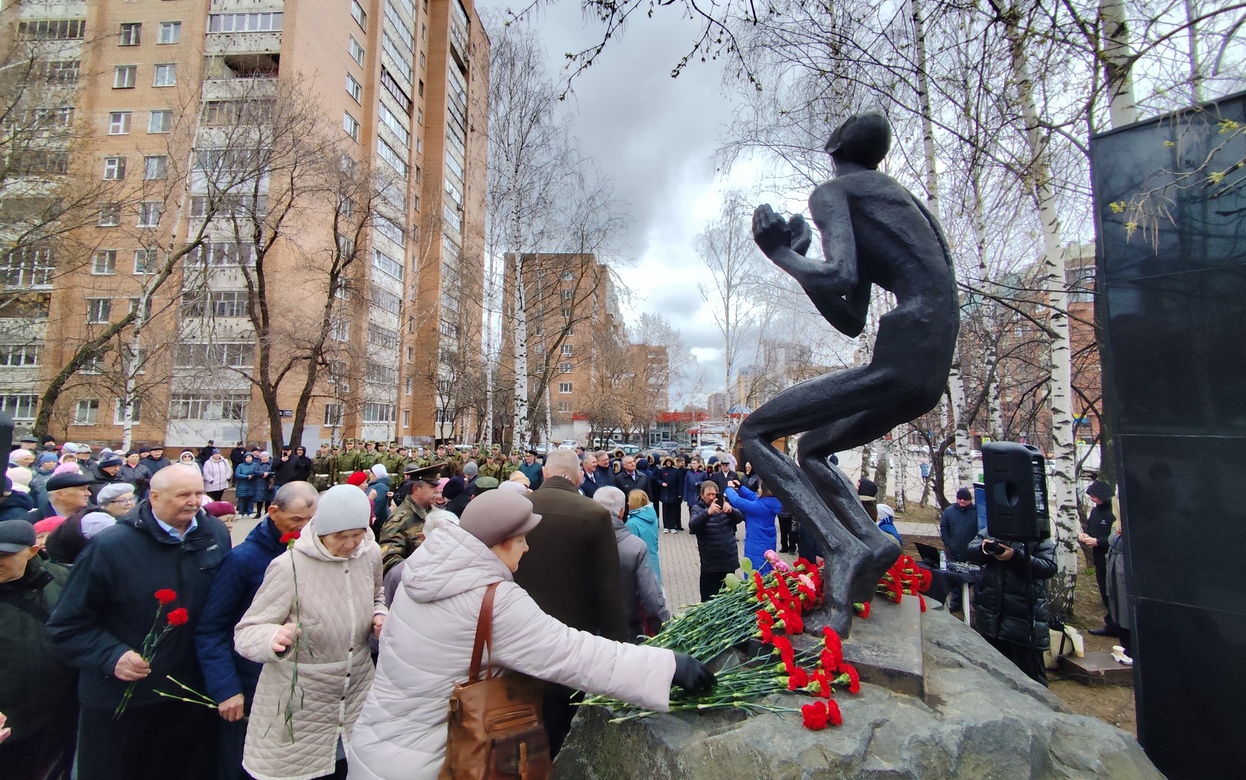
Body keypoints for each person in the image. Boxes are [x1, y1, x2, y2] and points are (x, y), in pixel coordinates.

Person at [347, 490, 714, 780]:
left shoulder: (422, 571)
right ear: (500, 540)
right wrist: (667, 667)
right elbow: (574, 655)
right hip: (433, 762)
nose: (527, 548)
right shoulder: (490, 600)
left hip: (375, 746)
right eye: (522, 539)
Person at [47, 464, 231, 780]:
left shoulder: (213, 534)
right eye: (183, 495)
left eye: (198, 493)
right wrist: (112, 655)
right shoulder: (111, 546)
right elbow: (67, 626)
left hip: (189, 698)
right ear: (154, 497)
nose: (193, 502)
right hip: (124, 702)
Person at [234, 485, 385, 780]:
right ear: (321, 529)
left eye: (357, 534)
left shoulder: (370, 553)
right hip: (301, 703)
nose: (350, 544)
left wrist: (380, 615)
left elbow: (377, 594)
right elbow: (247, 631)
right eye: (340, 536)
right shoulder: (289, 565)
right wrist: (273, 639)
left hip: (355, 694)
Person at [195, 483, 317, 780]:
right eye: (296, 519)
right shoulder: (244, 559)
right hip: (250, 687)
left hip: (294, 687)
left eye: (311, 520)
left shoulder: (313, 554)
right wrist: (227, 688)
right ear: (273, 512)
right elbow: (211, 629)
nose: (304, 528)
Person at [512, 449, 630, 756]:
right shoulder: (594, 513)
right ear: (579, 478)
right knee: (563, 729)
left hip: (518, 637)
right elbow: (608, 588)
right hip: (574, 644)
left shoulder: (518, 508)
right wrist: (619, 652)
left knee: (520, 725)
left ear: (544, 473)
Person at [0, 520, 77, 778]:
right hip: (5, 722)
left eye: (5, 555)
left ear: (32, 551)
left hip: (52, 718)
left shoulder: (60, 581)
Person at [967, 530, 1057, 686]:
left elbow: (1049, 567)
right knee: (992, 680)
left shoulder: (1037, 534)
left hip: (1023, 624)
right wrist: (982, 549)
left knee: (1031, 683)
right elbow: (971, 551)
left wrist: (1015, 556)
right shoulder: (993, 530)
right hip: (991, 619)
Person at [593, 487, 670, 640]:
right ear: (622, 512)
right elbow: (651, 596)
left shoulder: (576, 541)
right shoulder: (635, 546)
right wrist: (664, 625)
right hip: (628, 630)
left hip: (589, 632)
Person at [688, 480, 745, 602]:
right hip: (711, 565)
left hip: (729, 562)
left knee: (728, 600)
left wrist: (731, 511)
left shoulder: (724, 505)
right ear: (702, 495)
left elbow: (740, 518)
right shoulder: (697, 509)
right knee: (708, 599)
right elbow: (693, 526)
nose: (711, 497)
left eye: (714, 494)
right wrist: (707, 513)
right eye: (708, 495)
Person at [379, 464, 442, 575]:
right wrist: (419, 572)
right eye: (432, 487)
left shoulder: (436, 514)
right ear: (416, 489)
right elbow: (389, 563)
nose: (437, 491)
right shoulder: (399, 521)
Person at [1079, 480, 1119, 637]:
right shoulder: (1095, 512)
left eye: (1094, 496)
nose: (1092, 499)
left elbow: (1115, 537)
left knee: (1114, 593)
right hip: (1098, 557)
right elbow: (1091, 529)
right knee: (1105, 592)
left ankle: (1118, 625)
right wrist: (1085, 536)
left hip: (1111, 557)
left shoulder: (1113, 512)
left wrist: (1098, 541)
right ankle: (1111, 624)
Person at [40, 472, 99, 566]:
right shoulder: (33, 521)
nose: (89, 493)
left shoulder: (92, 519)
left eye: (88, 489)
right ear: (60, 494)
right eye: (82, 489)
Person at [725, 479, 782, 574]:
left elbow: (738, 502)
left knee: (755, 574)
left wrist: (729, 489)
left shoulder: (759, 507)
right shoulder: (770, 503)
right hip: (766, 545)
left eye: (759, 488)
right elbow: (753, 496)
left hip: (756, 549)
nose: (758, 490)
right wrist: (740, 488)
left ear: (765, 492)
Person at [940, 487, 978, 610]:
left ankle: (975, 603)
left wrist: (975, 546)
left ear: (970, 500)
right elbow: (944, 528)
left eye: (965, 499)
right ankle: (956, 602)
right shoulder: (949, 511)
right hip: (954, 551)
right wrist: (949, 543)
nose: (962, 501)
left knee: (975, 578)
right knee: (955, 578)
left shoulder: (976, 512)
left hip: (972, 553)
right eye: (959, 498)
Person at [1105, 514, 1131, 659]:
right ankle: (1123, 645)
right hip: (1115, 567)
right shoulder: (1117, 523)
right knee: (1116, 604)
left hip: (1124, 569)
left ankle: (1130, 649)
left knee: (1125, 607)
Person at [656, 457, 684, 533]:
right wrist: (661, 483)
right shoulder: (661, 470)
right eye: (667, 462)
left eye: (670, 462)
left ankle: (672, 527)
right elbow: (657, 479)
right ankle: (666, 526)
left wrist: (680, 493)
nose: (668, 463)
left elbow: (680, 482)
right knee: (665, 511)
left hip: (674, 493)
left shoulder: (676, 471)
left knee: (673, 511)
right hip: (665, 493)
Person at [233, 453, 260, 518]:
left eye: (250, 457)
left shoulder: (255, 465)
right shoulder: (240, 465)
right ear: (244, 458)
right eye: (247, 457)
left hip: (252, 484)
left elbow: (258, 472)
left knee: (250, 499)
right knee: (241, 499)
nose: (248, 459)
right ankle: (241, 512)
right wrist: (246, 476)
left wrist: (252, 476)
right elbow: (237, 474)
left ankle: (250, 512)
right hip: (242, 485)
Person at [254, 452, 275, 517]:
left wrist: (268, 474)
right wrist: (263, 473)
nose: (264, 458)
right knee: (259, 499)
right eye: (263, 456)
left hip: (268, 483)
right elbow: (255, 471)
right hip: (259, 483)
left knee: (268, 499)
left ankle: (267, 512)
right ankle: (258, 513)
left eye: (266, 456)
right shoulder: (257, 464)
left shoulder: (272, 464)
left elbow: (274, 471)